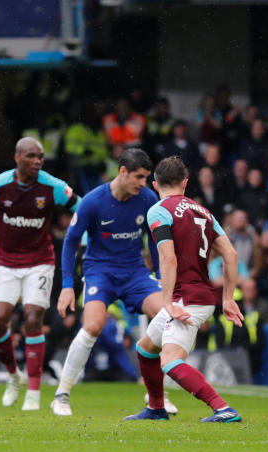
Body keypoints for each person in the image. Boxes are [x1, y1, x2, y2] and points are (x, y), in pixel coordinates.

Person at [50, 148, 175, 416]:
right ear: (122, 172)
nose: (143, 184)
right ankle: (61, 394)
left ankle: (156, 396)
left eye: (146, 178)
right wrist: (68, 285)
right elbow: (71, 242)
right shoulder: (93, 202)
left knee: (167, 316)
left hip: (135, 273)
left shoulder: (147, 199)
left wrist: (162, 279)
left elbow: (153, 241)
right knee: (93, 326)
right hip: (100, 272)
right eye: (139, 177)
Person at [126, 156, 245, 423]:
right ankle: (156, 408)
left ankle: (223, 408)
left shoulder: (159, 210)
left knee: (170, 360)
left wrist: (167, 301)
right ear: (185, 182)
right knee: (146, 348)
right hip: (198, 294)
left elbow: (168, 258)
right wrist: (227, 298)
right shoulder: (203, 211)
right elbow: (231, 255)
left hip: (185, 298)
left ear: (155, 184)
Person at [0, 137, 81, 411]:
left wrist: (83, 240)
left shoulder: (52, 186)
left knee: (32, 316)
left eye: (40, 156)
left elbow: (83, 207)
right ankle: (14, 376)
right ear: (17, 158)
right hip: (6, 263)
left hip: (40, 262)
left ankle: (34, 390)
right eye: (31, 156)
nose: (37, 161)